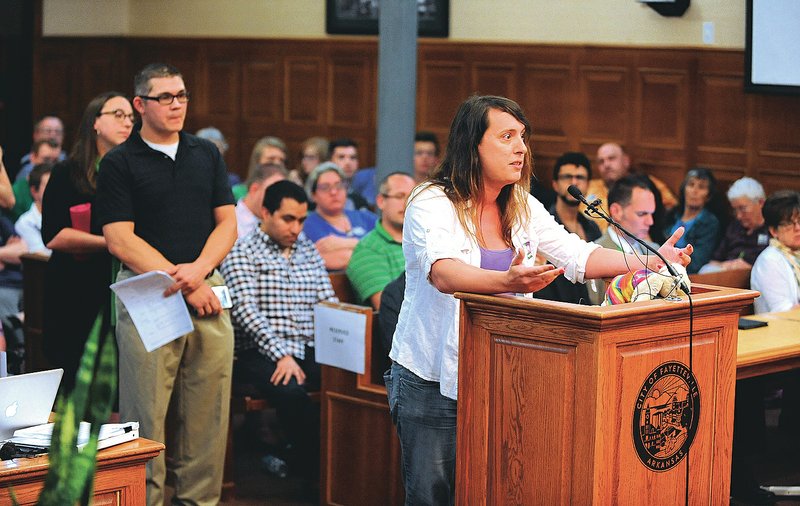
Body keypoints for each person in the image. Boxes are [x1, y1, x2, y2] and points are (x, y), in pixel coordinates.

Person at [385, 95, 692, 505]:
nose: (521, 148)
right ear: (471, 145)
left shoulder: (522, 203)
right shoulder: (432, 201)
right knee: (433, 496)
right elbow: (443, 273)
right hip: (432, 376)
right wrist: (505, 279)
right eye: (507, 137)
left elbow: (578, 255)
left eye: (523, 137)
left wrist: (650, 259)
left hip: (506, 371)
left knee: (497, 488)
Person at [95, 63, 236, 506]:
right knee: (146, 412)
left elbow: (228, 224)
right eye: (165, 97)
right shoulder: (119, 161)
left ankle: (198, 500)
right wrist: (186, 281)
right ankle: (143, 500)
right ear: (140, 105)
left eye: (182, 95)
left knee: (208, 412)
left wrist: (198, 274)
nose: (176, 104)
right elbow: (119, 238)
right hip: (148, 293)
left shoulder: (206, 153)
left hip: (207, 287)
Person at [221, 180, 336, 483]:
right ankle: (313, 477)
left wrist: (344, 342)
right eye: (288, 219)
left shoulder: (306, 250)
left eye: (301, 220)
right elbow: (245, 311)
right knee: (291, 391)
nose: (296, 228)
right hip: (257, 350)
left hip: (307, 345)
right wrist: (281, 353)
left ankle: (328, 473)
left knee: (347, 382)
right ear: (265, 212)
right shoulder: (242, 251)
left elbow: (328, 301)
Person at [40, 91, 134, 390]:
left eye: (132, 117)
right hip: (75, 290)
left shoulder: (135, 174)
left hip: (122, 289)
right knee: (75, 386)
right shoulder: (67, 172)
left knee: (117, 388)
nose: (127, 122)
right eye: (118, 115)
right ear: (95, 122)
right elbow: (54, 235)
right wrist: (113, 242)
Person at [534, 152, 600, 305]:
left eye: (580, 178)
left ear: (588, 184)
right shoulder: (542, 225)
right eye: (567, 177)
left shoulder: (592, 227)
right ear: (555, 184)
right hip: (554, 309)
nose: (574, 182)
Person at [346, 172, 415, 309]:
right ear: (380, 201)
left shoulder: (423, 240)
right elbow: (388, 307)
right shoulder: (367, 249)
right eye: (400, 196)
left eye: (412, 197)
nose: (407, 203)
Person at [587, 142, 677, 236]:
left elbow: (672, 209)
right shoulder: (590, 187)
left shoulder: (645, 185)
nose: (606, 165)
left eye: (611, 158)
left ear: (626, 161)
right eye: (601, 161)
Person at [303, 163, 376, 270]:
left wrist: (346, 243)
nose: (333, 192)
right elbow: (343, 258)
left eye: (339, 186)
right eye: (325, 187)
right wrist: (373, 249)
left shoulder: (365, 216)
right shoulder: (308, 225)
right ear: (313, 195)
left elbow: (390, 246)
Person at [702, 177, 770, 272]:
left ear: (761, 202)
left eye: (742, 208)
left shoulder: (773, 230)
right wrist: (727, 265)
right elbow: (714, 261)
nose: (738, 216)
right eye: (735, 210)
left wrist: (750, 267)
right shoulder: (734, 227)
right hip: (727, 277)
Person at [663, 168, 723, 274]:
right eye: (691, 185)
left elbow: (697, 262)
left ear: (708, 196)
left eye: (701, 187)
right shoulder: (671, 214)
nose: (694, 191)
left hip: (686, 274)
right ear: (684, 189)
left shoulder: (710, 222)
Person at [751, 190, 800, 314]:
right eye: (789, 223)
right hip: (781, 328)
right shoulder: (769, 260)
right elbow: (783, 311)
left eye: (799, 221)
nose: (797, 228)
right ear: (774, 231)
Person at [11, 139, 61, 219]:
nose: (51, 165)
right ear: (33, 157)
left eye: (55, 161)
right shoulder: (16, 193)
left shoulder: (64, 187)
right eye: (46, 160)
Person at [235, 163, 287, 239]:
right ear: (254, 189)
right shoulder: (228, 221)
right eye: (275, 192)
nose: (279, 200)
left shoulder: (282, 222)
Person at [233, 136, 289, 200]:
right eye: (271, 159)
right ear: (257, 162)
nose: (277, 164)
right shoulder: (236, 194)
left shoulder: (289, 195)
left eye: (281, 160)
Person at [15, 163, 52, 255]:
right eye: (49, 185)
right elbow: (42, 256)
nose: (56, 190)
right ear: (34, 191)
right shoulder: (25, 223)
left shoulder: (67, 213)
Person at [17, 116, 67, 183]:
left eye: (58, 132)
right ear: (36, 135)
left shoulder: (69, 165)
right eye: (47, 131)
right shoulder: (26, 170)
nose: (52, 136)